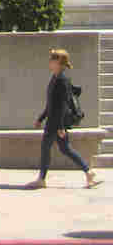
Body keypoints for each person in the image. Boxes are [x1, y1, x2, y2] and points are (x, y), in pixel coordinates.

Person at [25, 48, 100, 189]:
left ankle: (42, 179)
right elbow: (51, 103)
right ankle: (89, 172)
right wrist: (41, 118)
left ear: (58, 62)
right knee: (64, 149)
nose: (49, 62)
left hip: (56, 122)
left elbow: (62, 105)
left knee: (47, 148)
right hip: (53, 121)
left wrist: (60, 126)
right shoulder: (55, 78)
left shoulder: (62, 80)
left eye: (52, 59)